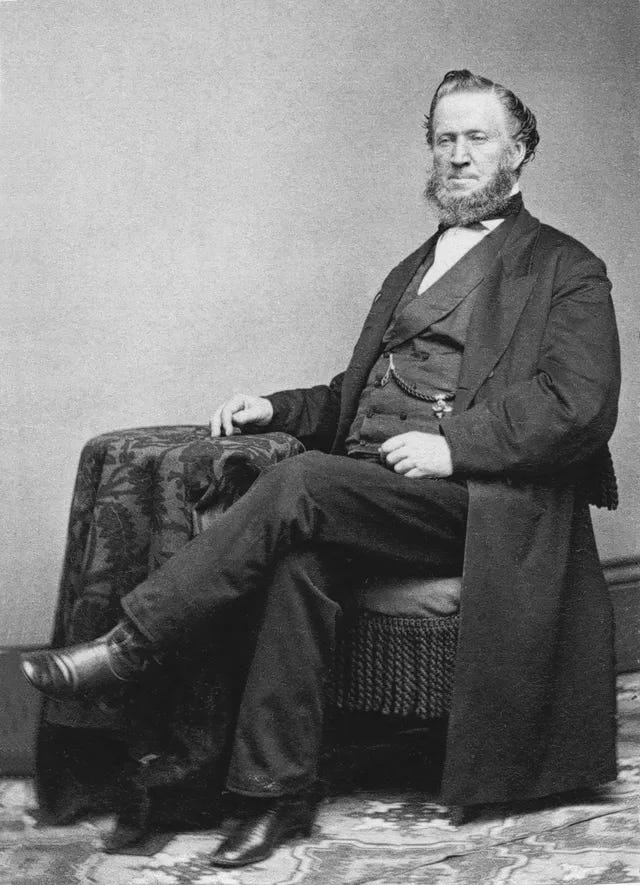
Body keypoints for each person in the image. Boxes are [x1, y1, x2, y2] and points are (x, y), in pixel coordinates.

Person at [21, 70, 620, 868]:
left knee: (301, 482)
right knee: (299, 556)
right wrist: (275, 408)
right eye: (444, 139)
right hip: (376, 495)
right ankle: (274, 796)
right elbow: (352, 398)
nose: (458, 155)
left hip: (481, 502)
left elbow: (579, 405)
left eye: (478, 138)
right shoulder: (414, 266)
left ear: (519, 152)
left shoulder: (565, 267)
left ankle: (132, 644)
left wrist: (455, 446)